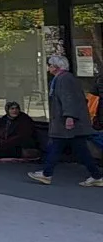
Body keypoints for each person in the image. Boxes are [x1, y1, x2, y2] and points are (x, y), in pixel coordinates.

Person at [29, 55, 103, 186]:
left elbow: (69, 99)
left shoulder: (64, 79)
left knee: (57, 147)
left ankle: (47, 174)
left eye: (50, 65)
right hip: (68, 123)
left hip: (67, 123)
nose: (49, 68)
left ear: (56, 67)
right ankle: (96, 175)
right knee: (79, 150)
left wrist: (70, 117)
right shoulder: (63, 78)